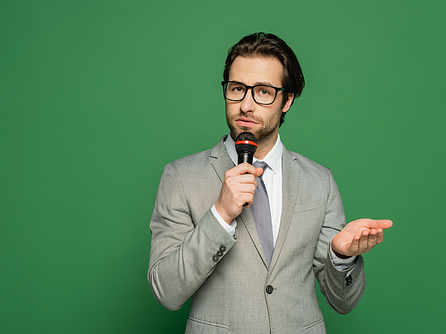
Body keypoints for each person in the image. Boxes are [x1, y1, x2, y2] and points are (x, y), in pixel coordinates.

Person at [148, 32, 392, 334]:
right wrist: (220, 215)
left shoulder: (320, 182)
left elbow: (342, 302)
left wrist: (341, 256)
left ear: (286, 100)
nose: (246, 105)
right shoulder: (180, 177)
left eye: (263, 91)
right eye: (237, 89)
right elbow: (166, 291)